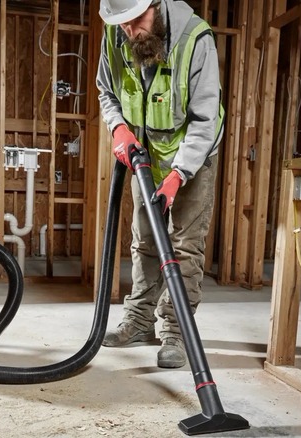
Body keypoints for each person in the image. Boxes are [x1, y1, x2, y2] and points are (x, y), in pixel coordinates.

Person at [96, 0, 224, 368]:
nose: (129, 30)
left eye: (136, 20)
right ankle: (138, 321)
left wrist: (177, 175)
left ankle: (176, 331)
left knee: (184, 245)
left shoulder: (196, 39)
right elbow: (107, 91)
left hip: (194, 156)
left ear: (156, 5)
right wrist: (118, 127)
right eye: (121, 24)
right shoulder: (115, 34)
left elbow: (204, 121)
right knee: (146, 239)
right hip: (145, 154)